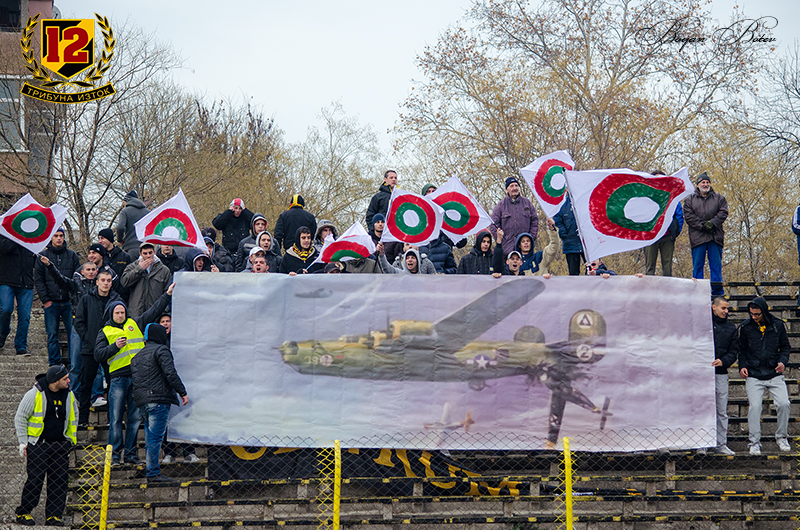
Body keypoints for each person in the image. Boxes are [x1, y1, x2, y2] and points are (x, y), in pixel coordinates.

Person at [94, 284, 174, 465]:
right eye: (117, 313)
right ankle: (115, 456)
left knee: (135, 418)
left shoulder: (135, 323)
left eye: (122, 312)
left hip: (138, 378)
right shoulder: (105, 331)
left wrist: (167, 295)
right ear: (111, 314)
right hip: (118, 378)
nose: (120, 315)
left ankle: (130, 455)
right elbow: (98, 355)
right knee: (116, 419)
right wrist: (115, 347)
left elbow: (154, 311)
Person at [14, 365, 77, 526]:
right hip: (39, 445)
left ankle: (54, 516)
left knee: (59, 481)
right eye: (65, 378)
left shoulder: (69, 395)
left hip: (60, 445)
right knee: (35, 480)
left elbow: (74, 416)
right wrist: (23, 442)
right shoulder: (34, 394)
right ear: (55, 381)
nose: (69, 381)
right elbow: (20, 417)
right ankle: (24, 512)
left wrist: (70, 440)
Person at [42, 259, 106, 407]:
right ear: (82, 272)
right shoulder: (75, 284)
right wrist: (50, 266)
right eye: (88, 270)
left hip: (96, 327)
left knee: (97, 363)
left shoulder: (101, 287)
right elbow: (60, 279)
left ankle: (97, 394)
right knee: (76, 363)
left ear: (97, 271)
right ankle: (73, 395)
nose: (91, 272)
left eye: (93, 269)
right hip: (78, 326)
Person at [131, 323, 188, 482]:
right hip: (158, 400)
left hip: (142, 402)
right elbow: (170, 373)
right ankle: (153, 473)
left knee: (150, 438)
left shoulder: (137, 356)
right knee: (155, 439)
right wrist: (182, 392)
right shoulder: (162, 350)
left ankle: (151, 470)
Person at [738, 297, 792, 455]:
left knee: (784, 403)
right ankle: (754, 442)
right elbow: (742, 350)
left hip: (774, 372)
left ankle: (782, 436)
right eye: (751, 314)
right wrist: (742, 366)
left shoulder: (777, 325)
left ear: (764, 311)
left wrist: (783, 362)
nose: (753, 317)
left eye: (757, 314)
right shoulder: (746, 327)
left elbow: (785, 347)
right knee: (755, 407)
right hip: (754, 373)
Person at [74, 270, 121, 425]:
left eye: (108, 280)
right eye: (103, 280)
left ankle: (112, 420)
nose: (106, 283)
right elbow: (79, 322)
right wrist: (88, 338)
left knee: (113, 385)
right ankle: (83, 419)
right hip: (90, 349)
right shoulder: (86, 299)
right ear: (97, 282)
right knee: (86, 384)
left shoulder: (117, 300)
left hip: (111, 350)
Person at [155, 310, 199, 464]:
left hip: (183, 382)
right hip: (164, 386)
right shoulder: (157, 344)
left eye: (168, 321)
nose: (165, 324)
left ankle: (189, 452)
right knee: (166, 420)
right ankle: (169, 453)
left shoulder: (182, 341)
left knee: (185, 418)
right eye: (162, 322)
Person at [34, 228, 80, 366]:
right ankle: (54, 364)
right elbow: (39, 280)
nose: (59, 238)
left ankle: (73, 362)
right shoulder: (43, 257)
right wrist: (45, 299)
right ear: (51, 238)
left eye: (61, 236)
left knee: (73, 334)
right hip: (51, 302)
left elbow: (77, 277)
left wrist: (74, 297)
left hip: (69, 302)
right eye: (56, 236)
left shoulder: (72, 255)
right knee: (52, 334)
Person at [683, 172, 728, 296]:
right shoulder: (689, 200)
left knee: (716, 266)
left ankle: (717, 293)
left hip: (715, 237)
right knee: (698, 266)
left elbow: (723, 212)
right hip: (698, 238)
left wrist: (712, 223)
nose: (705, 184)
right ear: (698, 185)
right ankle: (698, 292)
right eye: (703, 182)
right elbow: (689, 216)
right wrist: (703, 225)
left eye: (707, 182)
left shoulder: (719, 198)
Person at [710, 296, 738, 456]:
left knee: (721, 410)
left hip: (720, 374)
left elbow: (734, 352)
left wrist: (723, 361)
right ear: (714, 307)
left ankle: (721, 444)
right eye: (723, 308)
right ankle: (703, 444)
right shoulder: (702, 325)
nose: (726, 311)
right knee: (703, 409)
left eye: (727, 308)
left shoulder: (731, 328)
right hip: (701, 375)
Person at [642, 170, 684, 276]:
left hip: (667, 235)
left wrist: (675, 231)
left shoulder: (672, 195)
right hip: (651, 236)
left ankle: (668, 287)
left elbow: (679, 214)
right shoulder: (646, 196)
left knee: (667, 267)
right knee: (650, 267)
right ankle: (649, 286)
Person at [0, 234, 35, 356]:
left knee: (25, 316)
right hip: (6, 281)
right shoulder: (3, 234)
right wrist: (17, 236)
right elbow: (5, 248)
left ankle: (21, 345)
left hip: (26, 283)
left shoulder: (30, 237)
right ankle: (2, 334)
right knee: (5, 310)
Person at [489, 176, 539, 255]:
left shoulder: (527, 203)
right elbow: (493, 225)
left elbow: (535, 221)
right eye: (511, 186)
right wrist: (501, 240)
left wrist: (530, 238)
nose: (514, 188)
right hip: (507, 251)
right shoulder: (500, 206)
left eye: (516, 185)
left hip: (525, 251)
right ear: (507, 189)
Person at [121, 242, 171, 318]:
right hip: (136, 313)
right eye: (145, 253)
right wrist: (139, 269)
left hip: (156, 313)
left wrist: (164, 311)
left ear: (154, 252)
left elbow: (167, 291)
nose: (148, 256)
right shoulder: (133, 267)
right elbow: (124, 282)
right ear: (140, 254)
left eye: (150, 253)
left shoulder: (163, 270)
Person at [553, 196, 584, 275]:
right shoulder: (561, 203)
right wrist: (563, 232)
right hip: (570, 244)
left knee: (593, 270)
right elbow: (556, 219)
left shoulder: (584, 199)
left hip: (587, 243)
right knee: (573, 274)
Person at [116, 190, 150, 260]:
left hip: (131, 248)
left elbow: (120, 227)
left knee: (132, 267)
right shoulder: (148, 212)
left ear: (126, 201)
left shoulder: (125, 211)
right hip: (147, 249)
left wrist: (120, 240)